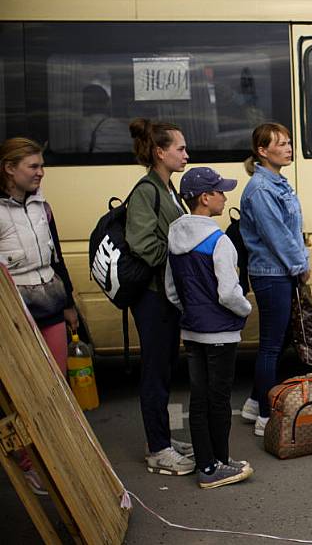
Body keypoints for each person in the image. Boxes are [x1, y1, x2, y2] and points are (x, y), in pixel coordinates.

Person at [165, 167, 254, 489]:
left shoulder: (175, 240)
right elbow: (229, 293)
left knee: (199, 401)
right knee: (219, 401)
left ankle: (210, 461)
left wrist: (192, 313)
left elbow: (172, 292)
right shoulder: (220, 241)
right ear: (206, 198)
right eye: (220, 192)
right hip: (221, 332)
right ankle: (215, 467)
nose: (225, 197)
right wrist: (245, 309)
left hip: (192, 330)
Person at [0, 137, 79, 495]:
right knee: (25, 392)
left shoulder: (42, 206)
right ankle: (30, 465)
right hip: (15, 314)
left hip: (50, 304)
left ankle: (54, 456)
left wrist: (69, 304)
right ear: (9, 169)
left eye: (41, 166)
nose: (40, 173)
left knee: (55, 387)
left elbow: (57, 256)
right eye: (33, 166)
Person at [126, 118, 194, 476]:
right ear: (159, 152)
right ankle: (158, 449)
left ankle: (163, 439)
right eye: (179, 148)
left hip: (167, 295)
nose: (186, 154)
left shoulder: (169, 189)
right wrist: (177, 259)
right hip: (152, 297)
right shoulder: (146, 191)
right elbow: (141, 243)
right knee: (154, 372)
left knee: (165, 369)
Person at [238, 123, 309, 437]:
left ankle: (255, 401)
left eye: (289, 142)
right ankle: (266, 417)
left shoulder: (278, 182)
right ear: (262, 151)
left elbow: (290, 230)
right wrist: (300, 265)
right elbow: (277, 237)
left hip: (280, 272)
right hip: (272, 274)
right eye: (280, 144)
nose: (288, 147)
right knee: (270, 345)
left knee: (277, 343)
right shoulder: (262, 189)